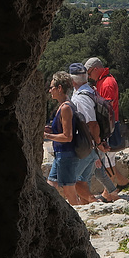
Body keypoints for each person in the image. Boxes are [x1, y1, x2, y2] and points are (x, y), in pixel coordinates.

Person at [69, 62, 117, 203]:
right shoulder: (91, 90)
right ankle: (98, 200)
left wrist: (97, 144)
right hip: (94, 142)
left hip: (88, 144)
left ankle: (94, 203)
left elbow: (92, 124)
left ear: (72, 81)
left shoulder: (80, 98)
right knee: (86, 178)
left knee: (74, 179)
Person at [85, 57, 129, 190]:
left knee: (107, 161)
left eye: (89, 72)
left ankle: (109, 193)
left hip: (108, 127)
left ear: (97, 69)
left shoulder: (106, 83)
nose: (89, 76)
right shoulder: (104, 81)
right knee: (109, 158)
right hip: (110, 125)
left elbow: (105, 109)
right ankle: (122, 182)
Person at [44, 71, 81, 205]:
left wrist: (47, 136)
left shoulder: (65, 107)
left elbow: (67, 136)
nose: (50, 90)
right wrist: (51, 130)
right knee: (50, 185)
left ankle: (78, 220)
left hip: (66, 156)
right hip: (61, 155)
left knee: (69, 192)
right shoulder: (64, 106)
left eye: (52, 87)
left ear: (60, 88)